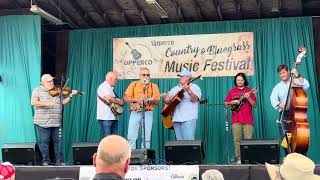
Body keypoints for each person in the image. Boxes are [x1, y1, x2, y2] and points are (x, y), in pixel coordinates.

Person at [31, 74, 79, 166]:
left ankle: (60, 161)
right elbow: (33, 102)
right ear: (43, 83)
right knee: (44, 143)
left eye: (52, 80)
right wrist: (47, 103)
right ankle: (46, 161)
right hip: (43, 122)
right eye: (49, 81)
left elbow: (63, 102)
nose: (51, 82)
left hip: (56, 122)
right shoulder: (37, 90)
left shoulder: (57, 91)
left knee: (59, 142)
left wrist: (71, 96)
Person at [270, 64, 310, 155]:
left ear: (288, 72)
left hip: (297, 114)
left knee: (299, 137)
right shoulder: (277, 87)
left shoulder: (296, 81)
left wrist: (297, 75)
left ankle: (300, 158)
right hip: (284, 115)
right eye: (280, 73)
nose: (282, 75)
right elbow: (273, 99)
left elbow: (307, 85)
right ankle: (288, 158)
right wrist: (280, 104)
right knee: (285, 138)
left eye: (284, 72)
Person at [224, 72, 256, 164]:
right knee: (237, 140)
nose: (240, 81)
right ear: (235, 81)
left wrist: (249, 97)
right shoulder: (232, 91)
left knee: (248, 140)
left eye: (241, 80)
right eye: (238, 80)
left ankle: (248, 158)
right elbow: (225, 103)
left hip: (248, 119)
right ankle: (239, 159)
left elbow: (254, 105)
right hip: (235, 119)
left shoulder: (249, 90)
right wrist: (232, 102)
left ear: (244, 81)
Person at [124, 68, 160, 149]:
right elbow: (126, 98)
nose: (146, 76)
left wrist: (152, 99)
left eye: (148, 75)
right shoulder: (134, 84)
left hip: (148, 112)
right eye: (144, 75)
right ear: (139, 76)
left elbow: (157, 102)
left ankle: (145, 158)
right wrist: (137, 100)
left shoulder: (153, 86)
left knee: (147, 138)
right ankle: (131, 158)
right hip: (135, 111)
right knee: (131, 136)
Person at [162, 69, 202, 140]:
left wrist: (188, 91)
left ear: (188, 77)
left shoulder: (194, 87)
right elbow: (166, 100)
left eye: (182, 76)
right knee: (179, 143)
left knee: (188, 142)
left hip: (189, 118)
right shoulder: (175, 88)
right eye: (180, 76)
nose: (180, 78)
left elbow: (195, 99)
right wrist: (165, 99)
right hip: (176, 118)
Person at [97, 71, 124, 138]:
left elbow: (112, 98)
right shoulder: (104, 86)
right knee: (107, 140)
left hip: (111, 117)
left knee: (113, 140)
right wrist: (119, 101)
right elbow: (110, 98)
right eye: (115, 79)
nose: (116, 81)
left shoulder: (109, 88)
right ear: (110, 79)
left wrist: (117, 100)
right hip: (105, 117)